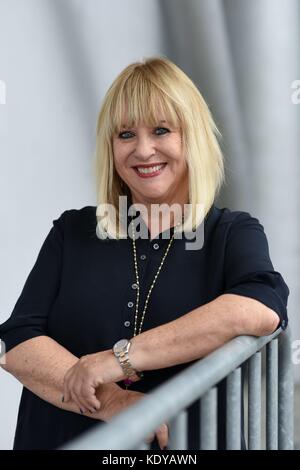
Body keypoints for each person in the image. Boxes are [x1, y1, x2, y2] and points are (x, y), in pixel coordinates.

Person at [0, 56, 289, 450]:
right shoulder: (74, 230)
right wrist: (116, 402)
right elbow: (16, 342)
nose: (143, 150)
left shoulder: (231, 232)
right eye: (125, 135)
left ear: (193, 137)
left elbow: (259, 307)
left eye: (161, 130)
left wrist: (118, 360)